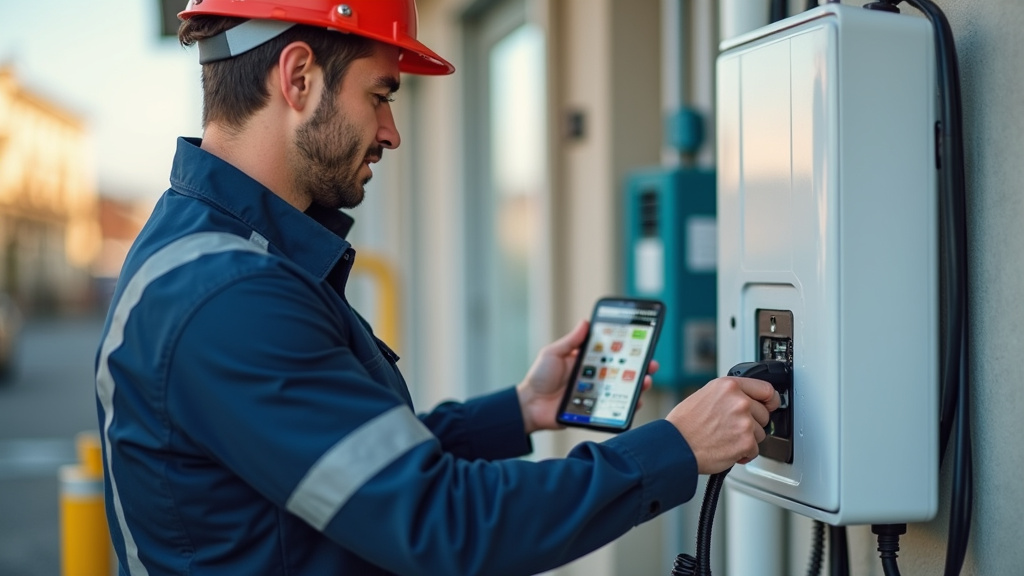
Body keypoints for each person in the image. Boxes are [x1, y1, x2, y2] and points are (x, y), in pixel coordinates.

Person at [95, 1, 780, 574]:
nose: (390, 132)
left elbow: (348, 466)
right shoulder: (231, 296)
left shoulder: (205, 250)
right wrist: (676, 448)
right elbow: (442, 523)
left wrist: (518, 410)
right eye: (380, 95)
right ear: (298, 76)